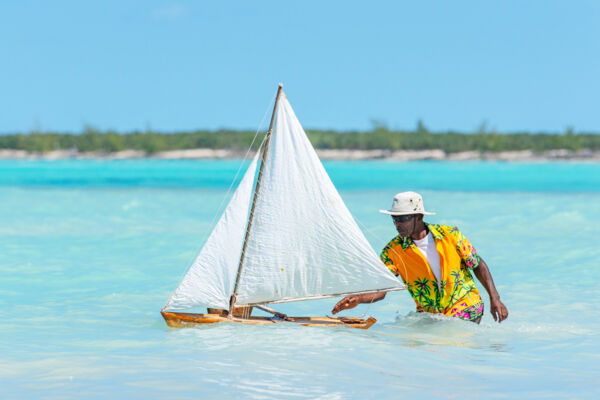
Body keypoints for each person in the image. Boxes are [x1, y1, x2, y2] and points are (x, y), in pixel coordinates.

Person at [332, 191, 508, 323]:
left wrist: (495, 298)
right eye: (394, 218)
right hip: (431, 316)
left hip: (467, 308)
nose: (397, 224)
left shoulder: (450, 235)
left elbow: (477, 264)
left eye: (403, 218)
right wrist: (358, 299)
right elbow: (382, 290)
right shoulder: (392, 251)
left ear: (419, 216)